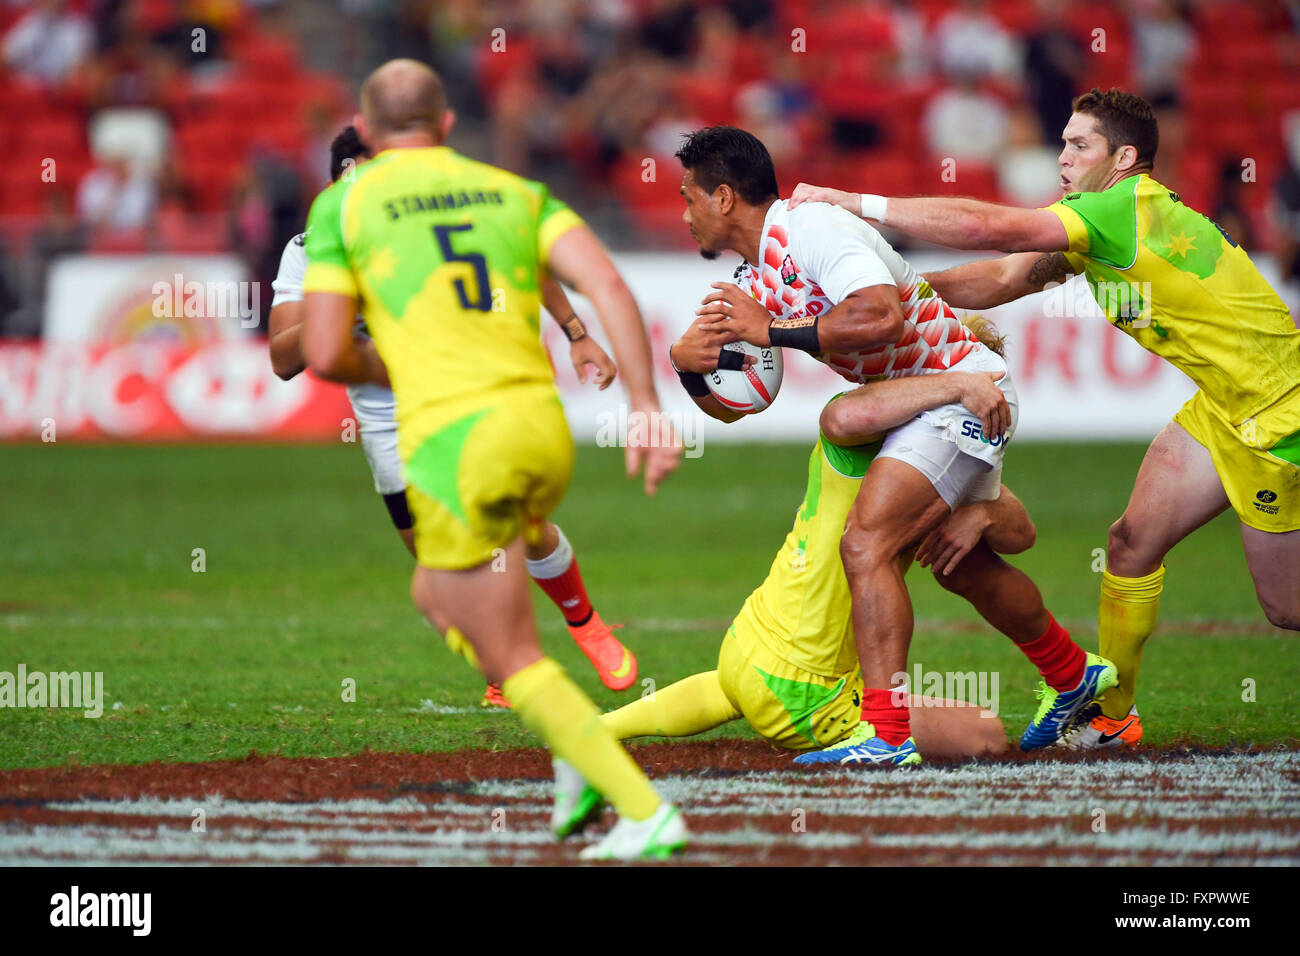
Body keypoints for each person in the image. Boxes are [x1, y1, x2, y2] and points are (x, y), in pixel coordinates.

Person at [789, 87, 1300, 748]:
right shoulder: (1097, 222)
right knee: (1129, 545)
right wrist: (893, 289)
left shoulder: (1120, 206)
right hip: (1223, 405)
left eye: (1078, 144)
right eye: (1061, 142)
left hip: (1275, 410)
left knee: (1285, 609)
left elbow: (985, 226)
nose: (1061, 156)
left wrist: (854, 204)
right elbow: (1001, 278)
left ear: (1123, 158)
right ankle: (1111, 717)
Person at [300, 60, 685, 860]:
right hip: (539, 428)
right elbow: (609, 282)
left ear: (366, 135)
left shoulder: (343, 203)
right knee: (433, 594)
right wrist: (645, 406)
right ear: (446, 126)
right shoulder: (511, 191)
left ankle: (641, 808)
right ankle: (576, 748)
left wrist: (399, 364)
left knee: (505, 652)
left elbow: (327, 351)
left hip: (453, 440)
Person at [669, 126, 1115, 766]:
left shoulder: (810, 229)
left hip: (959, 394)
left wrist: (768, 328)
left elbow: (883, 316)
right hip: (920, 404)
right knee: (962, 562)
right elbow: (740, 406)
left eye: (688, 198)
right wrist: (688, 368)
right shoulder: (758, 275)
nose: (683, 215)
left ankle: (887, 735)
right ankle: (1073, 676)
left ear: (723, 197)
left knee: (866, 542)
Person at [269, 126, 639, 707]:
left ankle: (585, 623)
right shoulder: (309, 249)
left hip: (462, 398)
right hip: (390, 427)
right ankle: (504, 664)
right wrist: (342, 297)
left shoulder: (425, 223)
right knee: (441, 573)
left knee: (522, 528)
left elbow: (524, 259)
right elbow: (283, 359)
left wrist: (575, 332)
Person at [601, 376, 1030, 762]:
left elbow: (1022, 534)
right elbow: (843, 417)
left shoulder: (934, 449)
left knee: (732, 686)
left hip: (747, 645)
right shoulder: (869, 422)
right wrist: (955, 387)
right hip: (807, 691)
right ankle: (874, 739)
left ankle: (601, 728)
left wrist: (985, 513)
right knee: (984, 732)